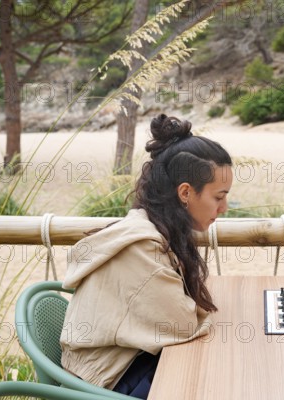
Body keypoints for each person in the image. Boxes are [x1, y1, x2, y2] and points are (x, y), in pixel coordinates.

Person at [60, 114, 233, 399]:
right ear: (186, 192)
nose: (224, 207)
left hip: (120, 365)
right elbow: (184, 325)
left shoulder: (152, 225)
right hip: (104, 383)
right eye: (219, 197)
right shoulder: (143, 248)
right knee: (217, 375)